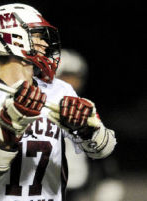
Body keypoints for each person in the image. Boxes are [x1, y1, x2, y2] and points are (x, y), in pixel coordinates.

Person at [0, 3, 116, 201]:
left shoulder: (60, 90)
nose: (44, 43)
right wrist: (8, 131)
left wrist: (88, 130)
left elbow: (103, 150)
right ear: (12, 38)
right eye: (37, 35)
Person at [57, 49, 125, 201]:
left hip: (74, 184)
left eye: (76, 77)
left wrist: (109, 177)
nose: (72, 82)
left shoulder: (85, 110)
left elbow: (101, 148)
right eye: (67, 76)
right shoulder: (39, 109)